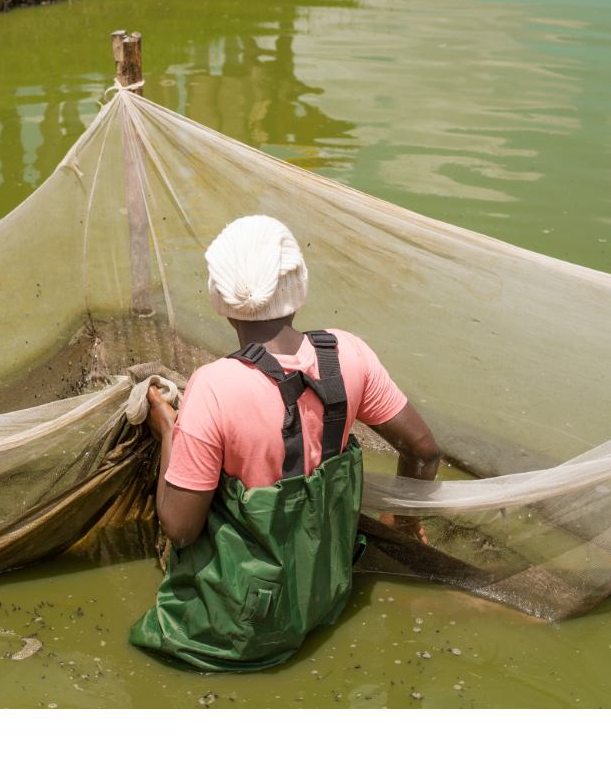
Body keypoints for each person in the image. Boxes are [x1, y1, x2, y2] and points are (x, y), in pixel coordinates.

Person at [128, 215, 442, 671]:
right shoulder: (348, 354)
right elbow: (424, 451)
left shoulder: (213, 386)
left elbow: (180, 529)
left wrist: (169, 431)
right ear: (300, 286)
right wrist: (404, 523)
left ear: (218, 297)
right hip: (326, 596)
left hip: (238, 632)